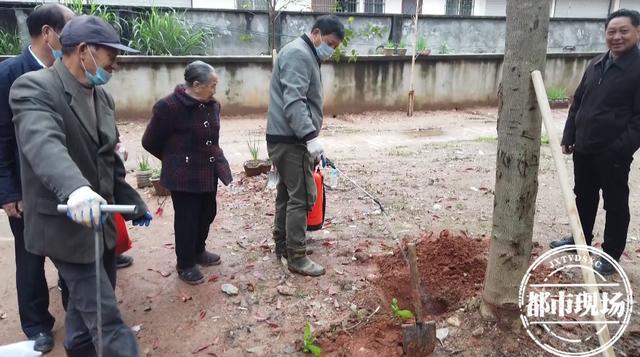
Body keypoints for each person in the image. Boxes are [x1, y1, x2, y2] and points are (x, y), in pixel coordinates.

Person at [9, 15, 152, 356]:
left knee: (84, 311)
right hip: (64, 225)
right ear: (84, 51)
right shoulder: (34, 87)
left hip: (99, 222)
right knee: (106, 317)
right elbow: (43, 143)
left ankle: (77, 345)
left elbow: (107, 161)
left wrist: (133, 201)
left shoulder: (102, 97)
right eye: (111, 55)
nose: (115, 64)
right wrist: (74, 188)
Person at [0, 4, 74, 353]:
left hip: (68, 183)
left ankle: (77, 312)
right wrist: (9, 190)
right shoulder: (9, 73)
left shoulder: (69, 70)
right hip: (27, 189)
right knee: (31, 258)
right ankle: (36, 325)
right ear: (49, 33)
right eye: (70, 28)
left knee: (72, 250)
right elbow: (1, 137)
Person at [551, 9, 640, 275]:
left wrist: (619, 148)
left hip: (613, 152)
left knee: (614, 203)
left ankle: (610, 254)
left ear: (637, 31)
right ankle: (581, 239)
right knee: (583, 196)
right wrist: (569, 136)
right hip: (584, 147)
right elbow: (578, 101)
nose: (616, 37)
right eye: (611, 31)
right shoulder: (596, 63)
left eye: (623, 31)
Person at [265, 15, 344, 277]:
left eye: (335, 47)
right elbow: (295, 101)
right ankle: (297, 256)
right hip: (292, 141)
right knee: (303, 197)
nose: (331, 50)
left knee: (287, 194)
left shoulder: (304, 54)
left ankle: (284, 246)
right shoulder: (299, 54)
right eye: (330, 43)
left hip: (286, 138)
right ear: (317, 33)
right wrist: (310, 137)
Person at [142, 61, 232, 285]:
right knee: (187, 219)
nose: (214, 90)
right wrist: (174, 159)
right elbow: (150, 141)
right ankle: (185, 264)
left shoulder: (213, 105)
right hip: (184, 175)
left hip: (208, 169)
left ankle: (199, 251)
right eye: (211, 85)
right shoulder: (168, 107)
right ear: (196, 84)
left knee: (207, 212)